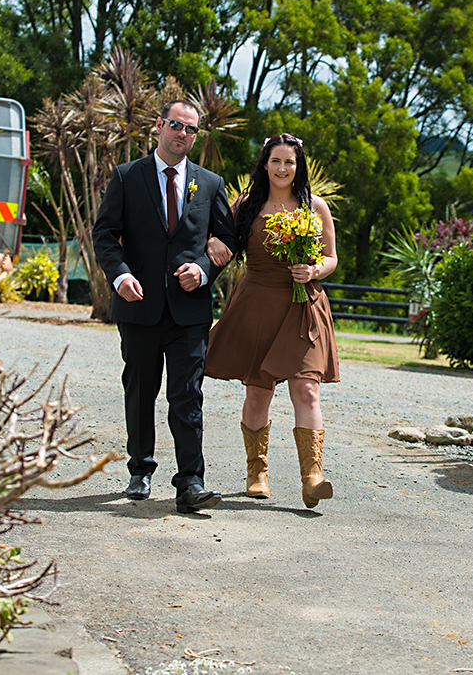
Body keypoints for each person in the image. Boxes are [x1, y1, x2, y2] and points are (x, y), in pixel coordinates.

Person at [92, 100, 237, 512]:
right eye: (176, 125)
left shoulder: (209, 183)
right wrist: (120, 276)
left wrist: (205, 269)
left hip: (189, 312)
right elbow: (105, 234)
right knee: (140, 391)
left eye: (191, 130)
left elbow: (228, 241)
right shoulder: (127, 176)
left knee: (187, 395)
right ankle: (140, 468)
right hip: (138, 308)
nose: (183, 134)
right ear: (159, 126)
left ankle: (191, 481)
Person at [204, 133, 340, 509]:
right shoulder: (246, 205)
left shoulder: (316, 206)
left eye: (290, 162)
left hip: (303, 306)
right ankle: (256, 472)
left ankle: (312, 477)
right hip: (257, 304)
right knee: (259, 391)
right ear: (265, 164)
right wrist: (212, 242)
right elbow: (224, 244)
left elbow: (331, 258)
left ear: (299, 167)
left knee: (307, 389)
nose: (283, 168)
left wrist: (313, 270)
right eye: (276, 161)